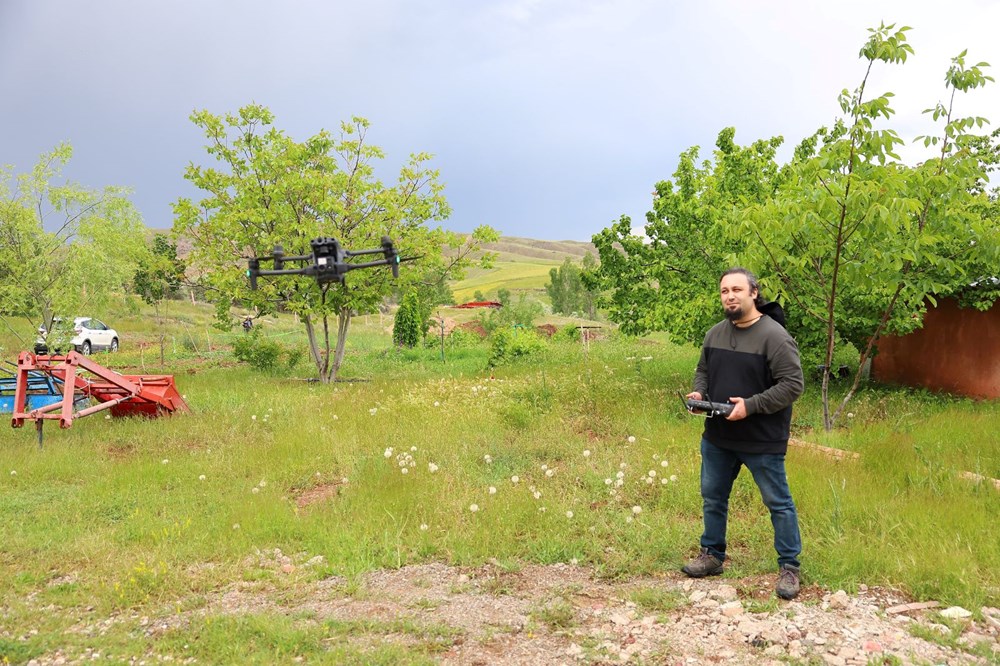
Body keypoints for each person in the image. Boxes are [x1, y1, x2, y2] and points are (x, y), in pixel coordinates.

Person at [682, 267, 805, 600]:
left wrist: (749, 406)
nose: (730, 296)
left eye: (737, 289)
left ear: (754, 293)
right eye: (724, 291)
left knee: (778, 503)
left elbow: (794, 385)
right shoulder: (715, 334)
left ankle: (790, 568)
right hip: (718, 437)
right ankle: (712, 555)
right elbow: (704, 372)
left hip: (762, 440)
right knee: (713, 497)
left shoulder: (775, 336)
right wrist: (699, 395)